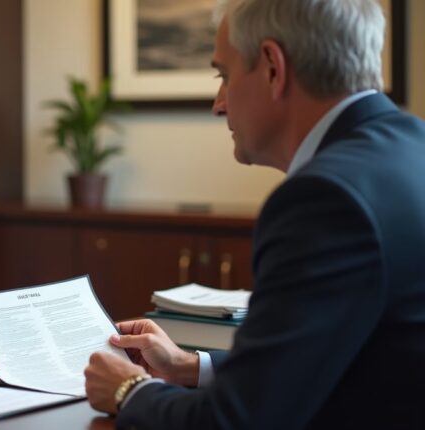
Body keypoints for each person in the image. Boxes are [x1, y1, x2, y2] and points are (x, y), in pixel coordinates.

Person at [85, 0, 425, 428]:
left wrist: (129, 390)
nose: (218, 104)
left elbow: (239, 421)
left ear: (272, 67)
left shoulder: (323, 199)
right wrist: (190, 365)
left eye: (224, 76)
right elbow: (337, 359)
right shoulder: (413, 145)